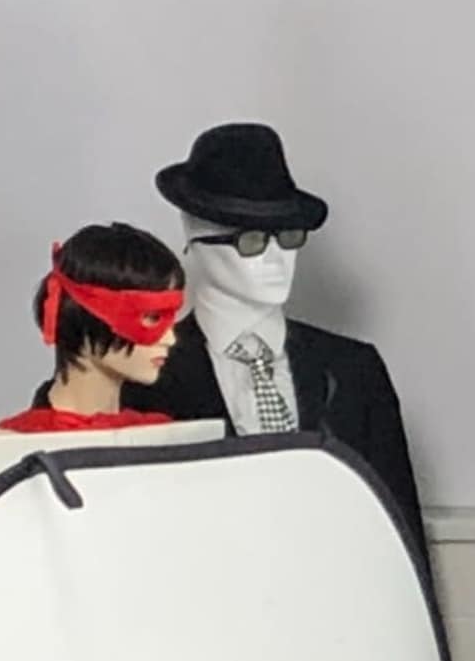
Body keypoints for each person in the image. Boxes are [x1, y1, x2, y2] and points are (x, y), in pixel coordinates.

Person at [148, 121, 425, 543]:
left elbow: (399, 528)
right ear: (196, 239)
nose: (277, 258)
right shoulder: (148, 375)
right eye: (252, 240)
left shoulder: (354, 370)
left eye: (289, 236)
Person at [5, 223, 194, 433]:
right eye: (152, 317)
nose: (170, 339)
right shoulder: (4, 445)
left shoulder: (166, 435)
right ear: (88, 314)